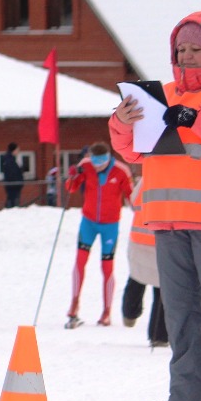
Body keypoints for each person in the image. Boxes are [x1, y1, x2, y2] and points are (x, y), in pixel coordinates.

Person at [110, 12, 201, 401]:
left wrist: (194, 120)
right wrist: (121, 121)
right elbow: (130, 151)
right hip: (166, 223)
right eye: (181, 49)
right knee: (181, 317)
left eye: (196, 49)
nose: (187, 56)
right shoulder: (159, 97)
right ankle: (185, 399)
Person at [63, 141, 133, 328]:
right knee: (79, 262)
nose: (97, 166)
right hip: (89, 222)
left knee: (107, 267)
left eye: (101, 162)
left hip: (110, 225)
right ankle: (74, 304)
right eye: (94, 162)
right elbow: (71, 188)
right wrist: (71, 177)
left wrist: (141, 211)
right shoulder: (85, 166)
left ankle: (106, 312)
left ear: (108, 158)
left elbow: (131, 196)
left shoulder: (121, 171)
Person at [120, 179, 169, 348]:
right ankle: (159, 336)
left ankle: (129, 313)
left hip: (139, 239)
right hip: (160, 241)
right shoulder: (176, 179)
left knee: (136, 278)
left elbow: (133, 201)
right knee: (162, 289)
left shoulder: (148, 176)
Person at [1, 142, 25, 208]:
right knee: (12, 201)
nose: (18, 151)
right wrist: (18, 181)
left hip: (14, 185)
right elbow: (12, 173)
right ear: (13, 150)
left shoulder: (12, 159)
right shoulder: (9, 160)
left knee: (12, 201)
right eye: (17, 150)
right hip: (13, 185)